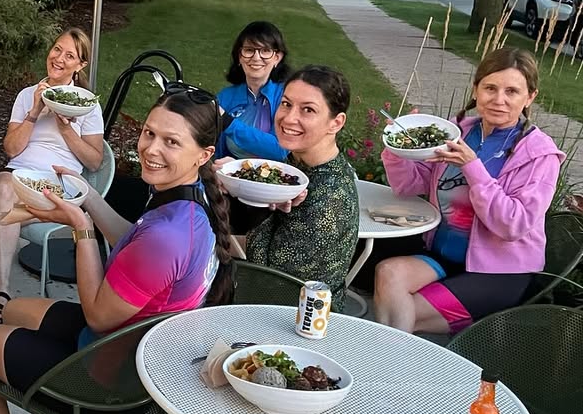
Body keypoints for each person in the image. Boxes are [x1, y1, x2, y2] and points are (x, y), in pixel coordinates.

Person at [0, 86, 233, 414]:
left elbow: (99, 315)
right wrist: (86, 197)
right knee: (10, 310)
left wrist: (81, 228)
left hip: (109, 387)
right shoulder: (189, 207)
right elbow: (131, 240)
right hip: (130, 353)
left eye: (171, 141)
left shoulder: (167, 236)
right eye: (149, 133)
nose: (151, 148)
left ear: (203, 154)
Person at [373, 48, 562, 334]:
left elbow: (513, 224)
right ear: (476, 90)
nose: (499, 100)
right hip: (444, 256)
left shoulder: (539, 155)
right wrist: (399, 149)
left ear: (530, 97)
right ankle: (391, 360)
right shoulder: (458, 132)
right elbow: (410, 185)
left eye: (512, 91)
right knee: (387, 273)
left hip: (499, 271)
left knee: (402, 311)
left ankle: (389, 365)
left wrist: (473, 167)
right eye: (490, 88)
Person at [0, 29, 105, 324]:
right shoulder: (26, 95)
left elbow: (94, 160)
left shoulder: (86, 104)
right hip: (18, 177)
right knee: (3, 184)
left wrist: (66, 127)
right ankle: (2, 294)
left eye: (69, 55)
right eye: (57, 49)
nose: (58, 58)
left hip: (58, 184)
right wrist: (35, 110)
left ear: (80, 66)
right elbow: (10, 149)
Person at [228, 66, 360, 315]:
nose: (289, 118)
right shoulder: (298, 164)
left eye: (307, 110)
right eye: (286, 104)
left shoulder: (329, 197)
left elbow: (270, 278)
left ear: (336, 122)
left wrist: (260, 203)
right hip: (269, 303)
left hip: (297, 323)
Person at [217, 21, 290, 159]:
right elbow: (208, 145)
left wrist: (229, 123)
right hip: (228, 175)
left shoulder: (286, 97)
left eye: (265, 51)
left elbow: (281, 149)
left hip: (277, 177)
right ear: (240, 56)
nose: (256, 58)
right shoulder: (225, 97)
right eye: (249, 50)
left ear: (277, 58)